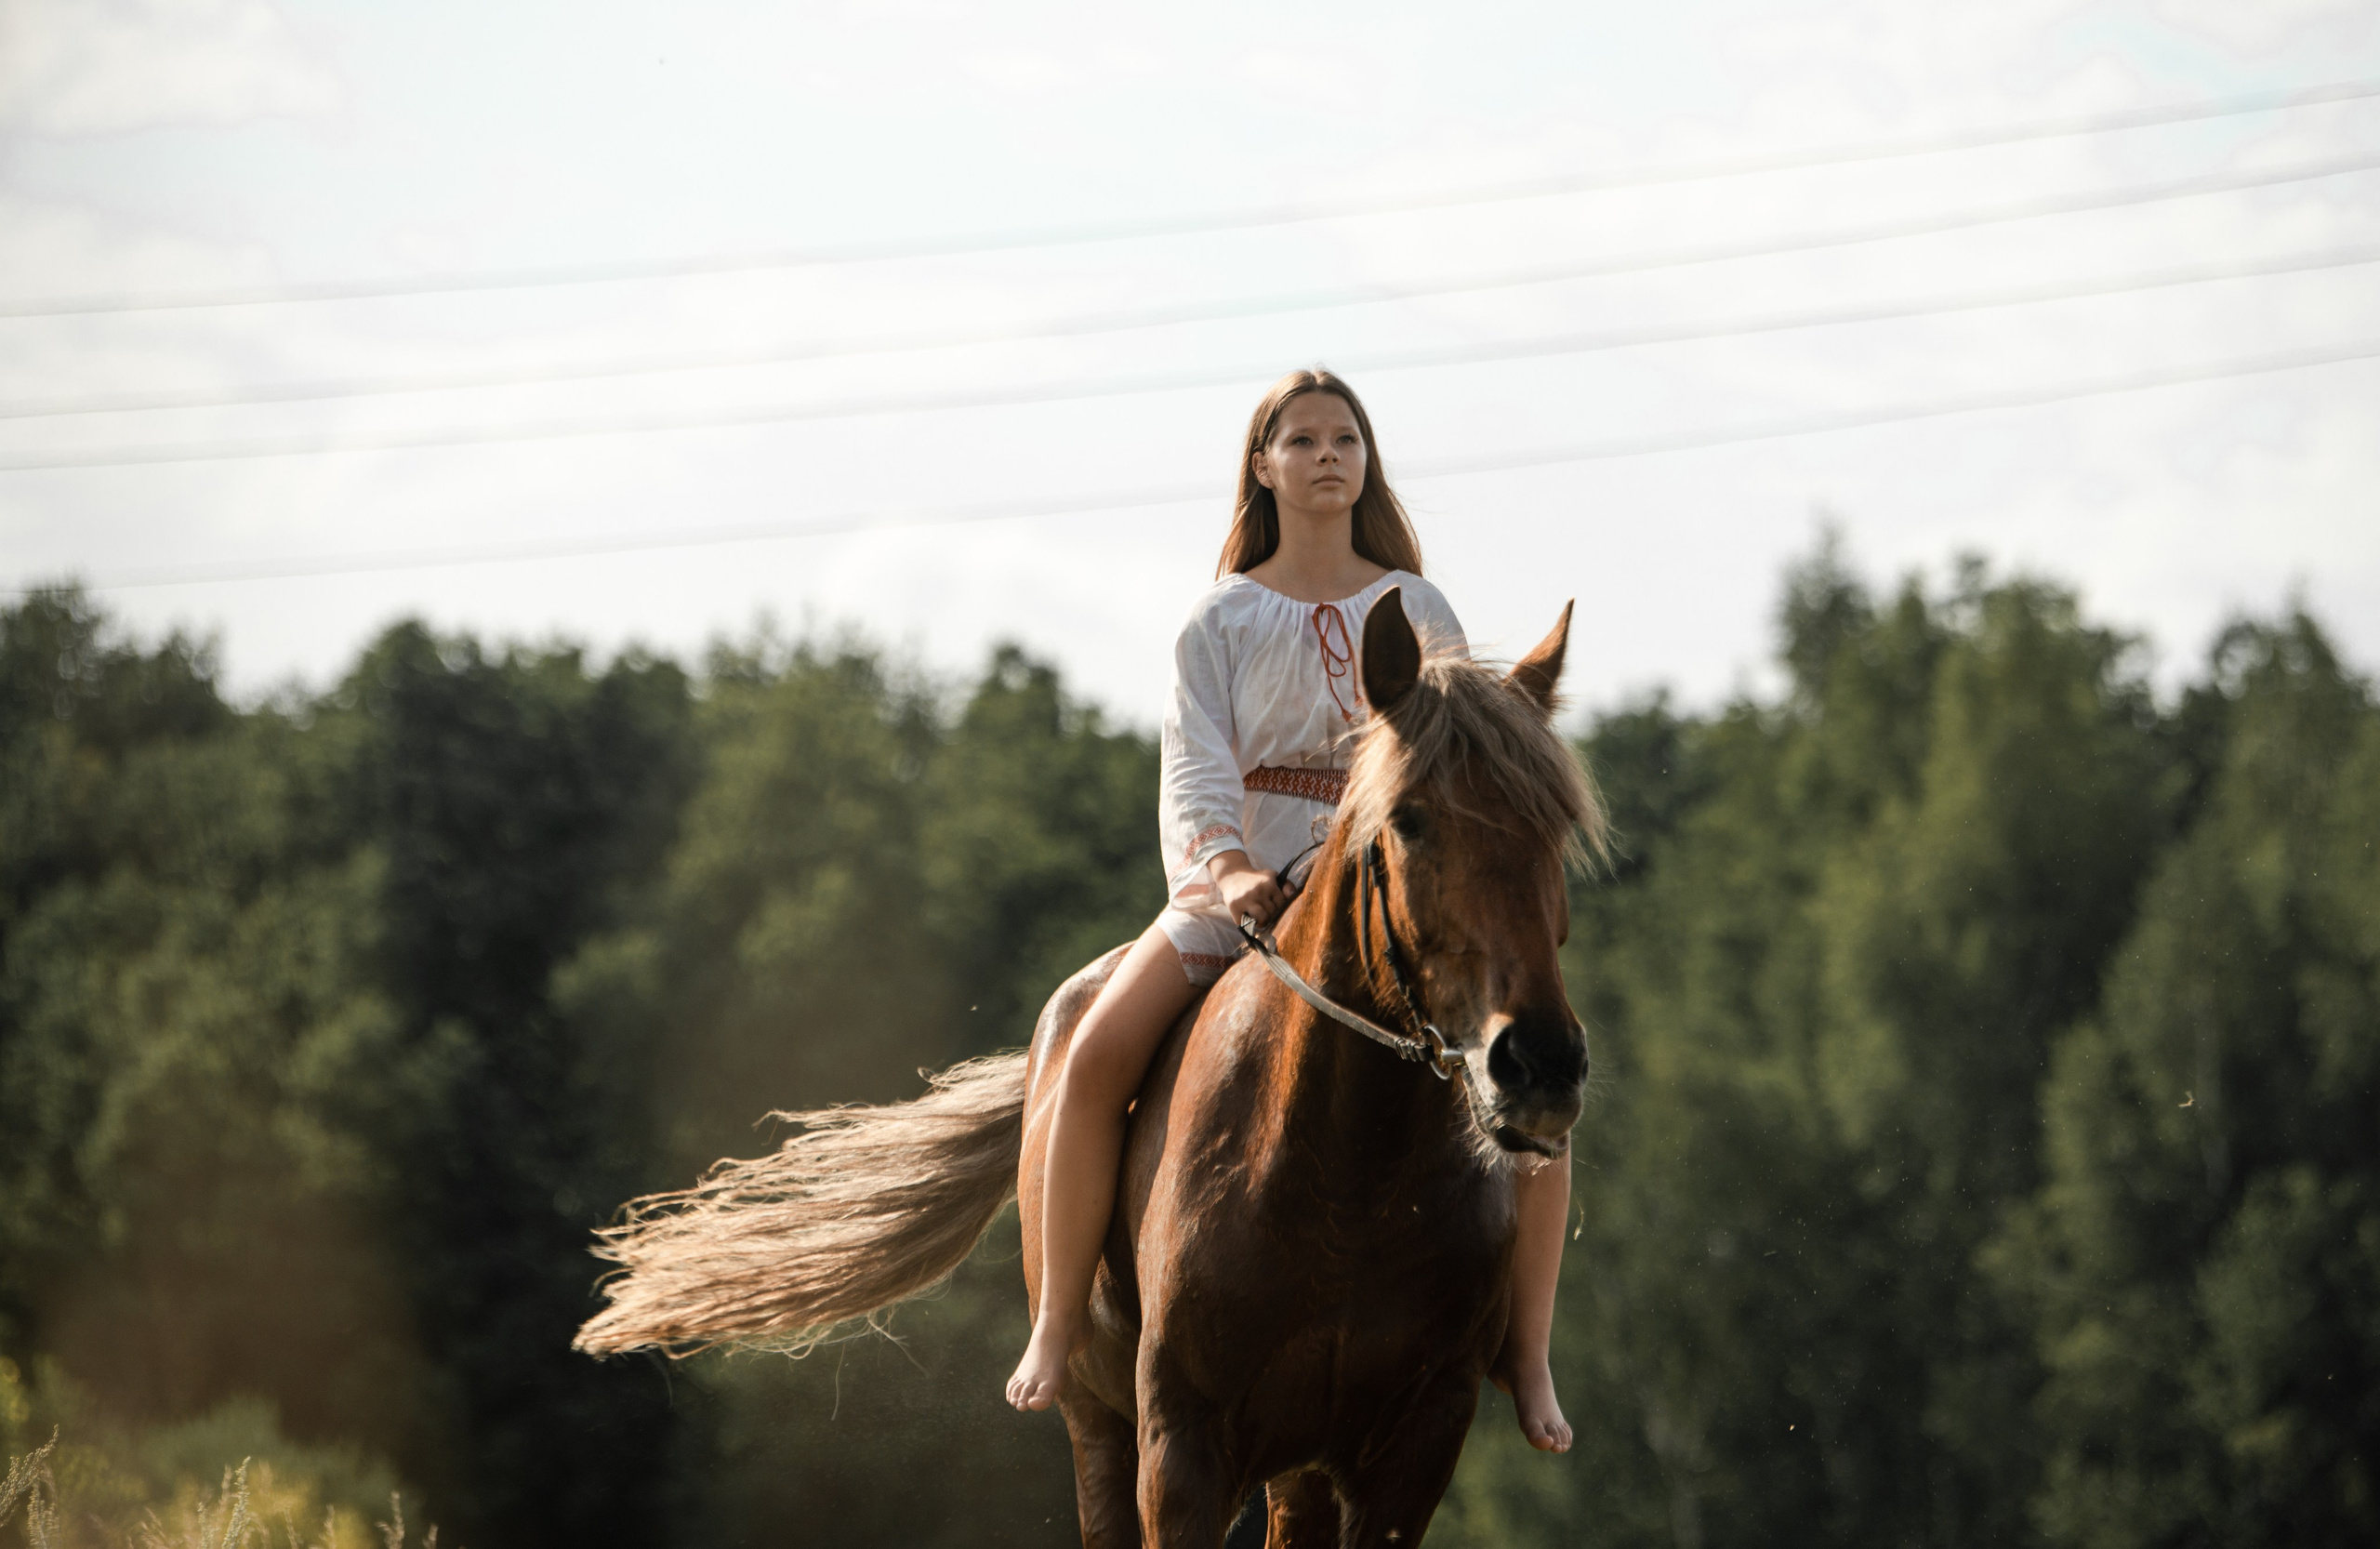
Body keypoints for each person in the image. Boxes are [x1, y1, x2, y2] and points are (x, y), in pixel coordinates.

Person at [1003, 368, 1576, 1454]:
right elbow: (1195, 775)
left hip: (1385, 903)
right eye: (1303, 439)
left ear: (1367, 463)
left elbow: (1451, 771)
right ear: (1262, 466)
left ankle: (1528, 1355)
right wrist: (1224, 872)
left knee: (1540, 1100)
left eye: (1346, 439)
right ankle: (1057, 1321)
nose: (1328, 456)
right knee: (1089, 1056)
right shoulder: (1216, 620)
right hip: (1239, 893)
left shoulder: (1420, 610)